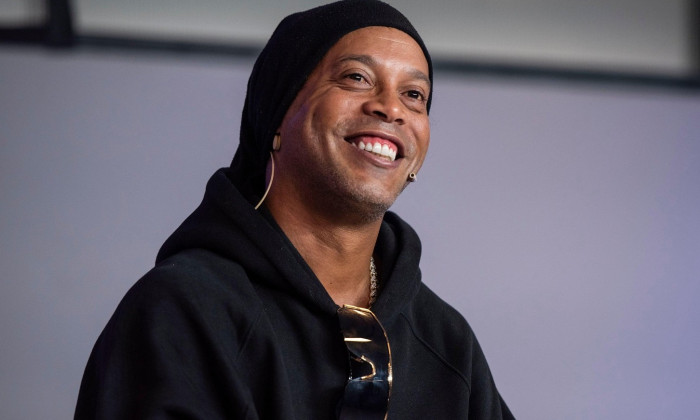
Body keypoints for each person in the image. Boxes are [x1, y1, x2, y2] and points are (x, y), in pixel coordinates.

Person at [75, 1, 514, 419]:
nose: (391, 108)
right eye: (356, 77)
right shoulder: (184, 310)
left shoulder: (447, 343)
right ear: (277, 114)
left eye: (414, 94)